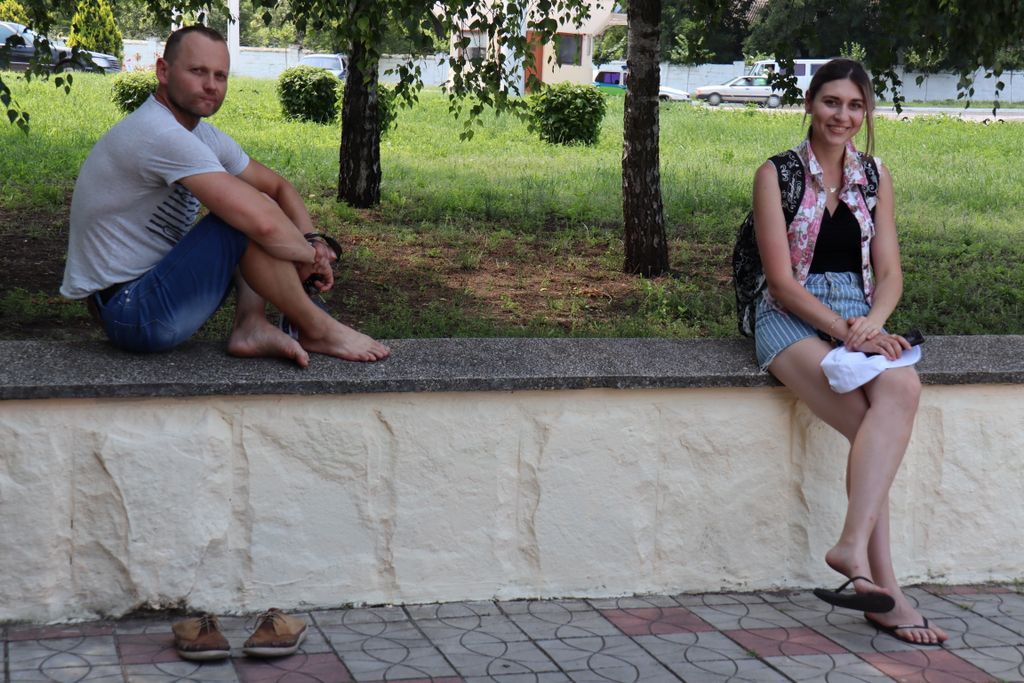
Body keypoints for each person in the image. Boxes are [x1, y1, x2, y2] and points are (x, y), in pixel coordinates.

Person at [751, 59, 947, 646]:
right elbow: (781, 284)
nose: (843, 115)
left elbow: (889, 273)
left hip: (860, 312)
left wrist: (872, 326)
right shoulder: (776, 175)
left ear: (866, 114)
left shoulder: (874, 176)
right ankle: (884, 590)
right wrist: (846, 328)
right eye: (832, 102)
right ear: (810, 104)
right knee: (872, 430)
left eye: (855, 105)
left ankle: (851, 551)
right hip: (789, 315)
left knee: (902, 388)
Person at [60, 25, 389, 367]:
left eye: (220, 75)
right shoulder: (157, 133)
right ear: (163, 71)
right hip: (130, 311)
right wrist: (308, 257)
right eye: (197, 71)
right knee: (241, 220)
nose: (211, 85)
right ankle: (317, 328)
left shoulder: (200, 135)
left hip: (148, 298)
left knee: (253, 207)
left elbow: (278, 188)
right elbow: (261, 223)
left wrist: (313, 242)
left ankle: (251, 325)